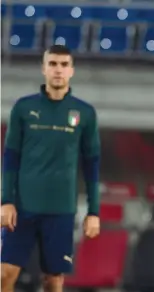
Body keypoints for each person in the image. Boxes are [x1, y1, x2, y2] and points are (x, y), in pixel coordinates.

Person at [1, 45, 101, 292]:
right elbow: (10, 159)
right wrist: (6, 201)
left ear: (72, 71)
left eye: (64, 65)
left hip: (61, 210)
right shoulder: (23, 109)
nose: (58, 70)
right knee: (4, 273)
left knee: (53, 280)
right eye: (53, 64)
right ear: (44, 68)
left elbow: (91, 166)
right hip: (22, 209)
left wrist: (93, 212)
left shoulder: (84, 113)